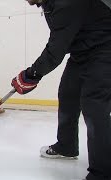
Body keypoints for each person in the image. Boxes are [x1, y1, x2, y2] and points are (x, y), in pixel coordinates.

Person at [11, 0, 111, 180]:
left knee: (94, 105)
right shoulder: (50, 4)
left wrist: (32, 73)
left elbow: (57, 47)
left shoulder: (66, 3)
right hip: (82, 51)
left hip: (105, 48)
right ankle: (67, 146)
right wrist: (34, 74)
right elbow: (65, 39)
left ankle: (103, 172)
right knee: (68, 95)